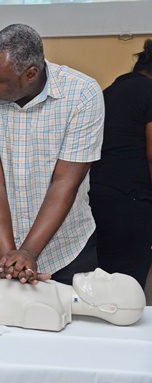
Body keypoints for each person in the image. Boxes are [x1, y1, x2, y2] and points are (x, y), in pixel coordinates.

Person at [0, 24, 105, 286]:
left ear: (31, 74)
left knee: (73, 325)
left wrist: (28, 252)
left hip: (65, 247)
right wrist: (11, 262)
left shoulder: (82, 94)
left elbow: (65, 183)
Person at [89, 39, 152, 289]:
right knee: (127, 289)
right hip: (132, 201)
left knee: (104, 284)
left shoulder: (108, 93)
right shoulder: (149, 91)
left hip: (95, 197)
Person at [0, 269, 146, 331]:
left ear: (109, 308)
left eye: (109, 281)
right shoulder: (55, 292)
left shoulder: (49, 310)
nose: (101, 272)